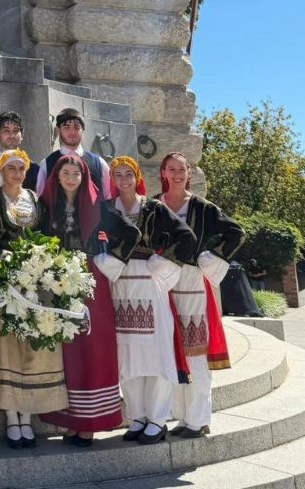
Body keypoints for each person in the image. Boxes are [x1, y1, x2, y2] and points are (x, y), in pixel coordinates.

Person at [38, 154, 140, 447]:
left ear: (85, 178)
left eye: (76, 173)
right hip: (56, 282)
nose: (71, 177)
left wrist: (106, 261)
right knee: (65, 351)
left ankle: (90, 422)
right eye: (65, 172)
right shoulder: (46, 206)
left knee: (92, 347)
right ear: (56, 176)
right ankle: (71, 421)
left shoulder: (100, 206)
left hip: (91, 283)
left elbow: (130, 234)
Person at [94, 156, 197, 445]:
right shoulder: (106, 209)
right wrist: (107, 262)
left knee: (157, 352)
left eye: (129, 174)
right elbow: (94, 242)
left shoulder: (153, 207)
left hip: (151, 285)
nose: (124, 180)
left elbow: (185, 237)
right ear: (112, 180)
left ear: (137, 176)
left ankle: (158, 418)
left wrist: (161, 261)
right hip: (120, 287)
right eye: (118, 175)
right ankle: (137, 416)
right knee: (127, 355)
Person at [0, 148, 67, 449]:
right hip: (3, 282)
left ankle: (26, 416)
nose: (16, 173)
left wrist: (40, 263)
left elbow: (47, 237)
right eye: (10, 168)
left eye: (20, 168)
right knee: (8, 347)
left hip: (34, 282)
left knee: (30, 345)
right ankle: (11, 417)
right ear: (1, 170)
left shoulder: (36, 200)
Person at [155, 152, 245, 439]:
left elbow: (237, 233)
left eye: (182, 169)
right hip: (161, 284)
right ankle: (183, 416)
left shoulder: (202, 207)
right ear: (164, 172)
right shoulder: (155, 204)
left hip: (192, 283)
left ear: (189, 173)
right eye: (172, 169)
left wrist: (211, 256)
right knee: (171, 353)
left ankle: (199, 419)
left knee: (194, 353)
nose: (177, 174)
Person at [35, 108, 111, 199]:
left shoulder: (99, 163)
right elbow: (40, 199)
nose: (72, 132)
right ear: (58, 130)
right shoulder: (47, 164)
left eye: (76, 127)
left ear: (83, 130)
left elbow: (108, 199)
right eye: (66, 127)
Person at [0, 112, 40, 194]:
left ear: (22, 135)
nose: (11, 135)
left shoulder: (35, 169)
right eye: (6, 131)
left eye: (15, 131)